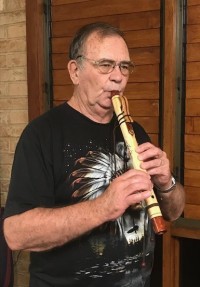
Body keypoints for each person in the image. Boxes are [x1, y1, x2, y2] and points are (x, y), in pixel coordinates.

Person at [3, 22, 185, 287]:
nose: (118, 76)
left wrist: (166, 183)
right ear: (75, 71)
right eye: (105, 65)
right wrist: (103, 206)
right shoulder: (42, 135)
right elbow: (15, 234)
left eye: (124, 66)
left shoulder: (136, 131)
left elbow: (175, 212)